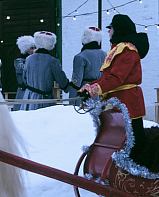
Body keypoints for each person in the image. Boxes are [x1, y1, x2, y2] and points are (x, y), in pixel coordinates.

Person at [80, 14, 149, 144]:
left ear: (118, 29)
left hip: (128, 103)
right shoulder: (119, 49)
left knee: (132, 141)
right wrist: (87, 88)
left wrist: (92, 91)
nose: (108, 31)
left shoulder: (127, 50)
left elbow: (116, 79)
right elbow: (107, 78)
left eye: (110, 28)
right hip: (118, 101)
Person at [19, 31, 71, 111]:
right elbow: (61, 79)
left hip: (29, 97)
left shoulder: (29, 59)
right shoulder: (53, 61)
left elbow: (24, 78)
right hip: (45, 99)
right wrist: (67, 87)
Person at [69, 26, 106, 99]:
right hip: (100, 91)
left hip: (85, 92)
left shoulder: (80, 56)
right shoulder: (105, 55)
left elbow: (76, 81)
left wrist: (72, 99)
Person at [12, 35, 36, 111]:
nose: (34, 50)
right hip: (23, 90)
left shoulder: (35, 60)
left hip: (34, 91)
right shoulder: (19, 61)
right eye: (31, 48)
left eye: (35, 48)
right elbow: (23, 67)